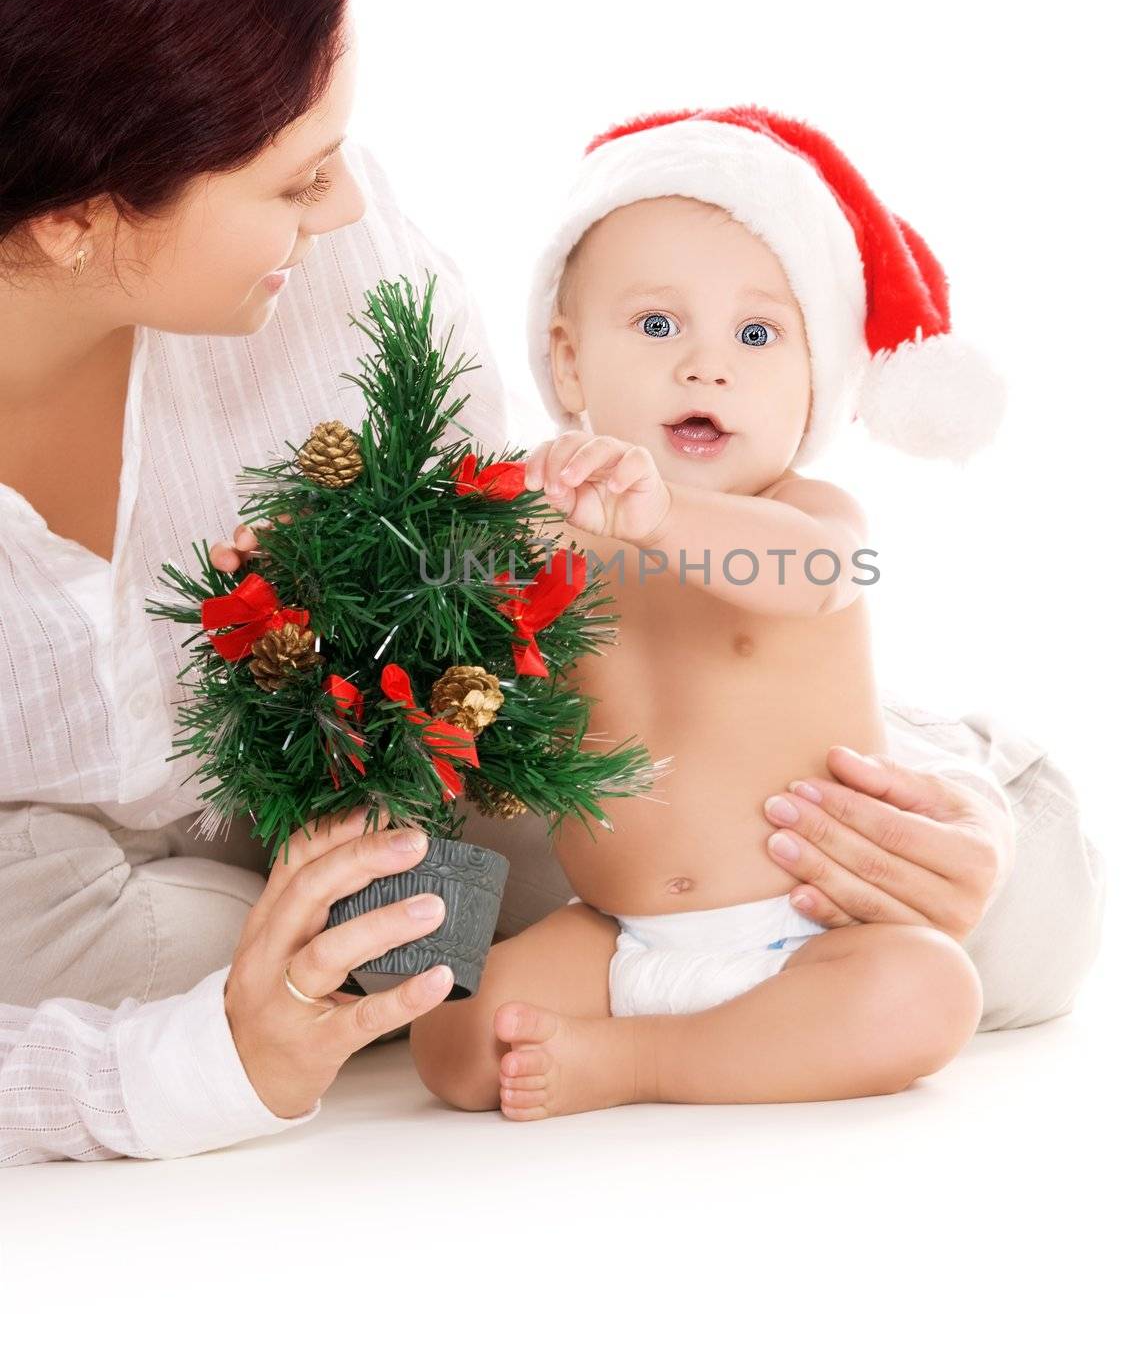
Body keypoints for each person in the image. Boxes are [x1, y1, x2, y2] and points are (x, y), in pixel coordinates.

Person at [0, 0, 1102, 1164]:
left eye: (337, 150)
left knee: (1015, 924)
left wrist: (936, 839)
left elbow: (517, 597)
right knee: (111, 971)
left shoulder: (334, 269)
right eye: (294, 181)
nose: (343, 206)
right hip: (51, 855)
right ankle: (340, 970)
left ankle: (384, 962)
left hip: (406, 750)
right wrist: (207, 1061)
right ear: (76, 219)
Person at [409, 107, 1103, 1119]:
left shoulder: (802, 519)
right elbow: (436, 589)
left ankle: (641, 1063)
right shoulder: (550, 527)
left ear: (818, 380)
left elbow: (808, 572)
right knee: (448, 1039)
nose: (705, 365)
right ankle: (634, 1035)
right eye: (655, 325)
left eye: (755, 332)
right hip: (617, 930)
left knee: (924, 993)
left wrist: (662, 511)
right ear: (566, 364)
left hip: (808, 930)